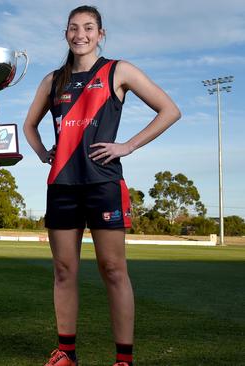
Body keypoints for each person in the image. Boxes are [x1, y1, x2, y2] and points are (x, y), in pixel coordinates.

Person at [22, 5, 181, 366]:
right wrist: (44, 153)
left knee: (113, 269)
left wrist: (127, 146)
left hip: (103, 183)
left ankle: (123, 360)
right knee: (64, 271)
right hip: (62, 185)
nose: (81, 34)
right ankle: (66, 354)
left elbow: (169, 110)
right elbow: (29, 125)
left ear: (101, 33)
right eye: (74, 28)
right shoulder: (52, 81)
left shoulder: (117, 70)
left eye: (89, 27)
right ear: (66, 33)